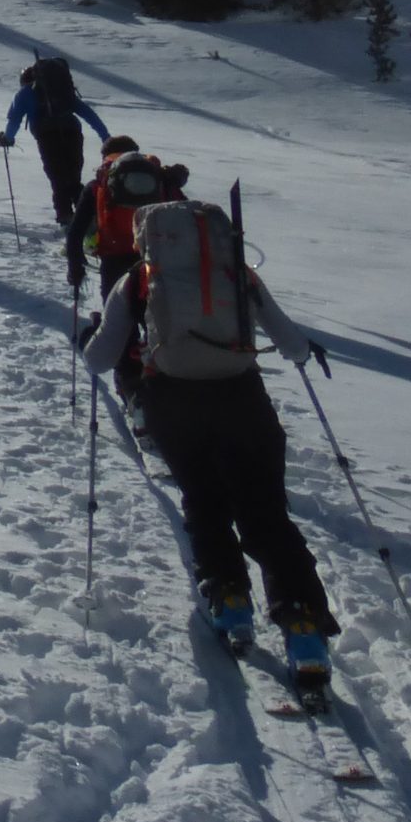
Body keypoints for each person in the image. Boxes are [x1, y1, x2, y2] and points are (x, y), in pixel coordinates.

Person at [80, 173, 339, 689]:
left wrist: (88, 338)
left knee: (204, 501)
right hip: (243, 399)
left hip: (174, 403)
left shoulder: (137, 280)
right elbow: (289, 342)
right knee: (265, 511)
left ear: (148, 237)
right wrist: (306, 351)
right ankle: (304, 626)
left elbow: (101, 358)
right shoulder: (237, 274)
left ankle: (230, 600)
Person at [65, 137, 174, 427]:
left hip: (115, 265)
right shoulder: (157, 178)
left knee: (120, 326)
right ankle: (164, 379)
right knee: (156, 321)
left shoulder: (99, 184)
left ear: (106, 157)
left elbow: (75, 231)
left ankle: (133, 389)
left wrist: (75, 267)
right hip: (155, 263)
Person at [0, 55, 110, 227]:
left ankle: (68, 223)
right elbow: (88, 113)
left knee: (58, 180)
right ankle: (90, 218)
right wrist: (105, 137)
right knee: (73, 179)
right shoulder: (64, 91)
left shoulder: (25, 93)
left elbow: (14, 120)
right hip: (73, 133)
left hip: (47, 136)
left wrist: (7, 139)